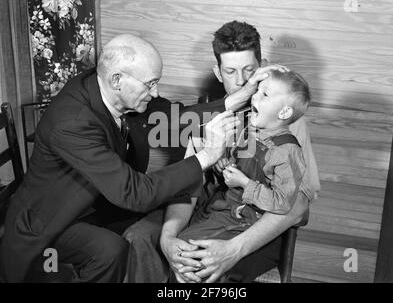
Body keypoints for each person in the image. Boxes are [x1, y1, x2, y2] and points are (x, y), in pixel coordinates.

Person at [0, 34, 247, 283]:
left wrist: (240, 96)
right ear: (117, 80)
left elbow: (175, 115)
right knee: (112, 250)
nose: (156, 91)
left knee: (142, 235)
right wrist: (206, 157)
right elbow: (134, 193)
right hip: (47, 226)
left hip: (92, 207)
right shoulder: (72, 123)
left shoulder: (105, 87)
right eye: (150, 83)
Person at [123, 21, 320, 282]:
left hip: (256, 221)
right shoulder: (206, 115)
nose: (240, 81)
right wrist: (168, 237)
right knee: (137, 238)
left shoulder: (286, 122)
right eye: (230, 71)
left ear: (262, 67)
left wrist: (232, 250)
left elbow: (297, 206)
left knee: (207, 267)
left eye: (249, 70)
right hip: (210, 209)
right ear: (218, 72)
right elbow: (188, 187)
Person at [172, 69, 310, 283]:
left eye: (265, 95)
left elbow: (283, 203)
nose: (254, 96)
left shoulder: (288, 151)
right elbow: (236, 163)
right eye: (258, 90)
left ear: (284, 113)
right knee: (182, 247)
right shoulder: (249, 131)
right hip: (225, 212)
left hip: (249, 222)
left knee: (203, 261)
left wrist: (244, 183)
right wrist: (224, 163)